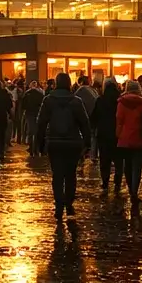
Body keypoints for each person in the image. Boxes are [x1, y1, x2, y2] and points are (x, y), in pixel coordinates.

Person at [34, 73, 92, 220]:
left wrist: (39, 143)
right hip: (73, 142)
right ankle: (69, 203)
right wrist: (87, 143)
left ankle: (59, 205)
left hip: (54, 142)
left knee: (57, 175)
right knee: (71, 175)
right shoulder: (76, 101)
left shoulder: (48, 100)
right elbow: (85, 123)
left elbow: (41, 123)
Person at [114, 79, 142, 205]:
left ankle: (130, 188)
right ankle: (135, 190)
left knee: (127, 165)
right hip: (139, 136)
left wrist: (118, 135)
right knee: (137, 166)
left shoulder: (121, 102)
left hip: (125, 137)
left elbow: (119, 120)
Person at [94, 76, 120, 190]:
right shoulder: (120, 100)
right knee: (118, 159)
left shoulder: (100, 100)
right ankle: (117, 182)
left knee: (104, 159)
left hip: (103, 133)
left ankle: (105, 182)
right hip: (117, 133)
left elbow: (94, 117)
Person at [19, 80, 44, 155]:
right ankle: (36, 148)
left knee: (30, 131)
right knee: (36, 131)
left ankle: (30, 147)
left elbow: (23, 105)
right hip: (36, 113)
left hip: (29, 113)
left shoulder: (27, 94)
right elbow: (42, 104)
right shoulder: (40, 94)